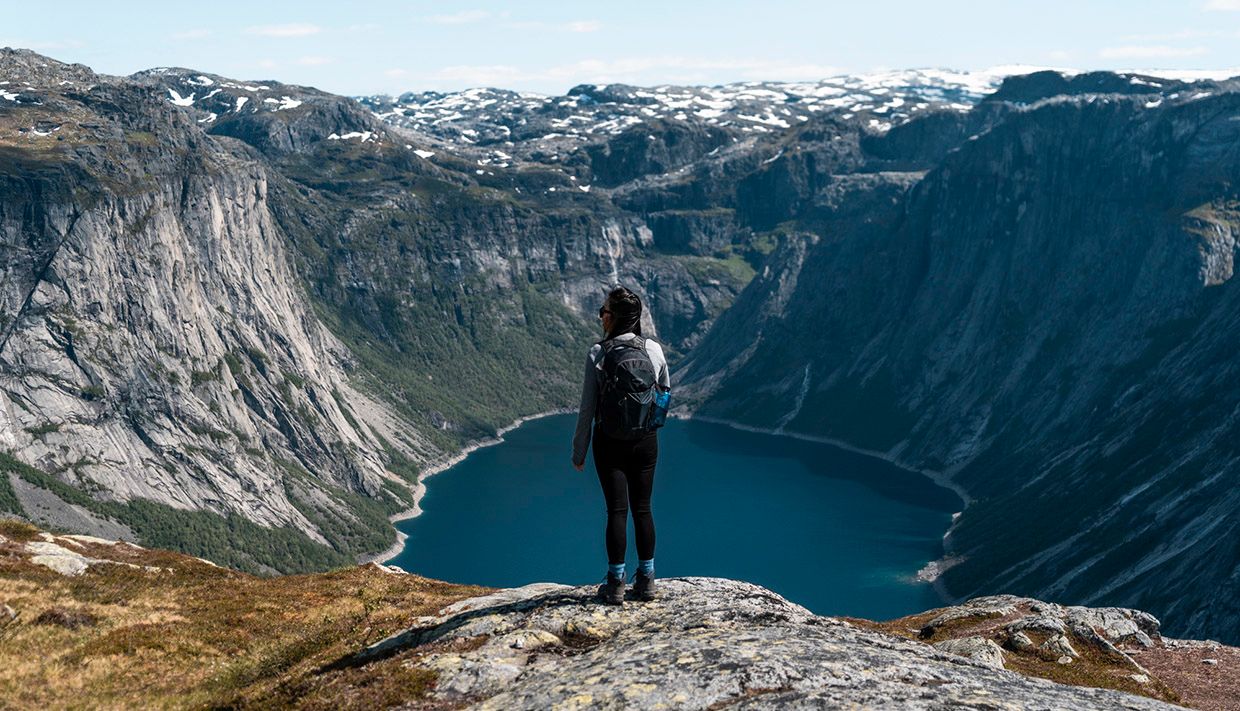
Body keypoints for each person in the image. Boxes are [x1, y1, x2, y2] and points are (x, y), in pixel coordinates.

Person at [572, 285, 670, 605]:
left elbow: (587, 408)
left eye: (603, 311)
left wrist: (579, 451)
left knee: (617, 510)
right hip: (646, 442)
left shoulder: (598, 353)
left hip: (609, 443)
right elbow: (664, 393)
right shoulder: (653, 349)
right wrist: (650, 426)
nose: (601, 316)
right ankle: (647, 579)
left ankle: (615, 583)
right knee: (643, 509)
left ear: (612, 317)